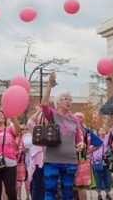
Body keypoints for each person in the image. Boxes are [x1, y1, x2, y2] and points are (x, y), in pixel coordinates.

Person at [40, 72, 84, 200]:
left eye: (69, 99)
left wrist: (81, 144)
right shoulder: (52, 115)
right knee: (50, 191)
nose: (68, 101)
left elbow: (79, 140)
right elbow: (44, 104)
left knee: (68, 193)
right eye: (64, 99)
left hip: (69, 161)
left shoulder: (75, 119)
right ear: (58, 103)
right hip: (51, 160)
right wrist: (49, 85)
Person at [26, 107, 45, 200]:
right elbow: (30, 122)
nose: (44, 120)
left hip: (50, 162)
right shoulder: (35, 130)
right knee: (37, 186)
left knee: (48, 187)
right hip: (38, 163)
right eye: (42, 118)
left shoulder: (54, 130)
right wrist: (39, 111)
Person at [90, 127, 112, 200]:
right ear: (98, 132)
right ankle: (99, 194)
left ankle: (107, 194)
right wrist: (91, 160)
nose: (103, 131)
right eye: (101, 130)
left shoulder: (107, 138)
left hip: (106, 161)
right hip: (96, 162)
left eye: (104, 130)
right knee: (97, 178)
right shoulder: (94, 140)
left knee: (107, 178)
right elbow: (90, 150)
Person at [17, 124, 32, 200]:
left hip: (28, 161)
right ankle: (19, 197)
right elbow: (20, 148)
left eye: (26, 129)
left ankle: (28, 197)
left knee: (28, 179)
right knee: (19, 179)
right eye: (22, 129)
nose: (24, 131)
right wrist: (23, 150)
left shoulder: (29, 136)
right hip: (20, 161)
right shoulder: (18, 137)